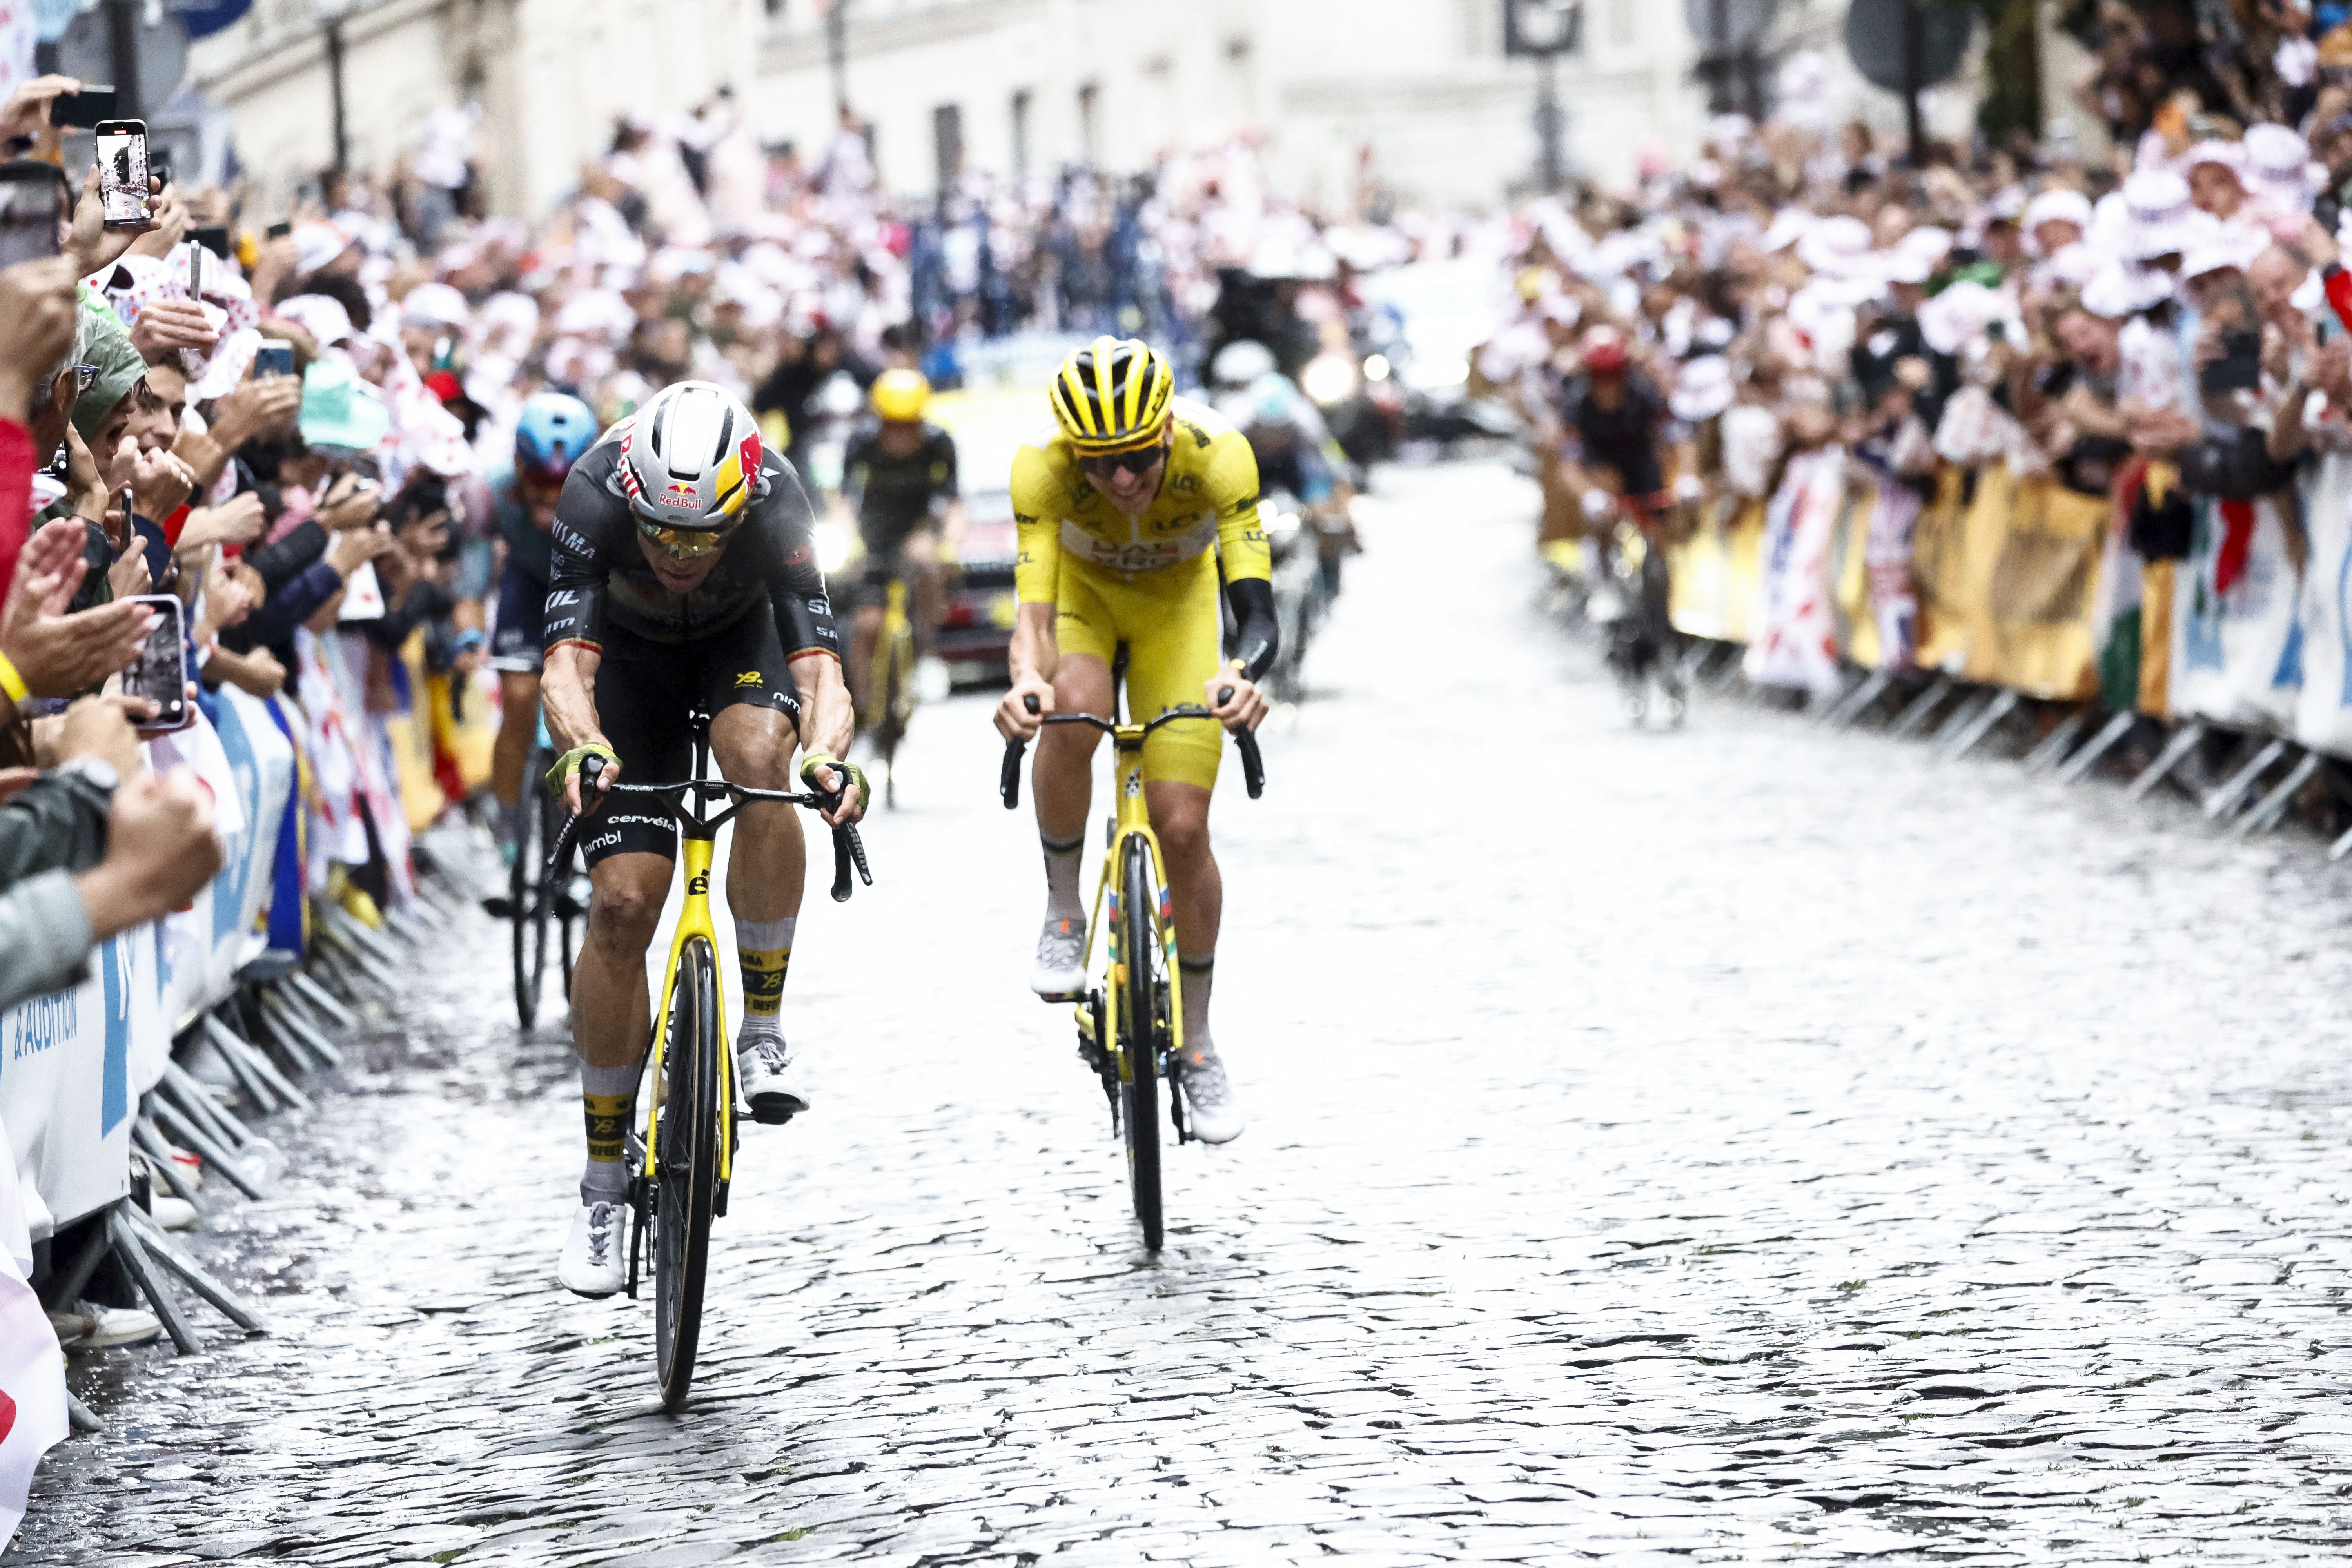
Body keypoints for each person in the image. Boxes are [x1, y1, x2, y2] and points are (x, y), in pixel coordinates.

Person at [538, 379, 865, 1299]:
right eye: (660, 534)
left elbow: (820, 671)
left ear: (741, 508)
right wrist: (586, 744)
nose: (678, 555)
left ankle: (761, 1027)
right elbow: (564, 666)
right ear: (632, 497)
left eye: (702, 537)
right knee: (621, 903)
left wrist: (827, 758)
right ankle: (605, 1183)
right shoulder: (592, 490)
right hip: (627, 664)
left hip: (739, 647)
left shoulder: (779, 496)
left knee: (761, 755)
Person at [991, 337, 1277, 1146]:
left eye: (1137, 458)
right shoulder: (1040, 468)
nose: (1121, 480)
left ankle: (1199, 1041)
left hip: (1176, 613)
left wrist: (1243, 673)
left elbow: (1256, 609)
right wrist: (1026, 680)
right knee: (1072, 707)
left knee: (1182, 827)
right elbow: (1034, 615)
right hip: (1084, 604)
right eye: (1099, 464)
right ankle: (1063, 909)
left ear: (1166, 433)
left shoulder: (1220, 454)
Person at [486, 391, 599, 857]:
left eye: (564, 484)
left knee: (587, 709)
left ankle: (582, 821)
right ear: (517, 466)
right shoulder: (491, 493)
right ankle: (507, 816)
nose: (551, 495)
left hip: (587, 590)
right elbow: (470, 578)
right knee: (518, 699)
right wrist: (466, 635)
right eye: (539, 481)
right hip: (528, 587)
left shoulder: (609, 497)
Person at [841, 368, 962, 709]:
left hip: (918, 532)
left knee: (925, 562)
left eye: (909, 426)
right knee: (867, 625)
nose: (900, 436)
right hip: (873, 538)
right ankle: (861, 709)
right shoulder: (861, 442)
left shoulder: (940, 443)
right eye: (891, 425)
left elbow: (953, 501)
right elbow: (844, 499)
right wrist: (851, 542)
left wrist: (948, 545)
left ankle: (928, 654)